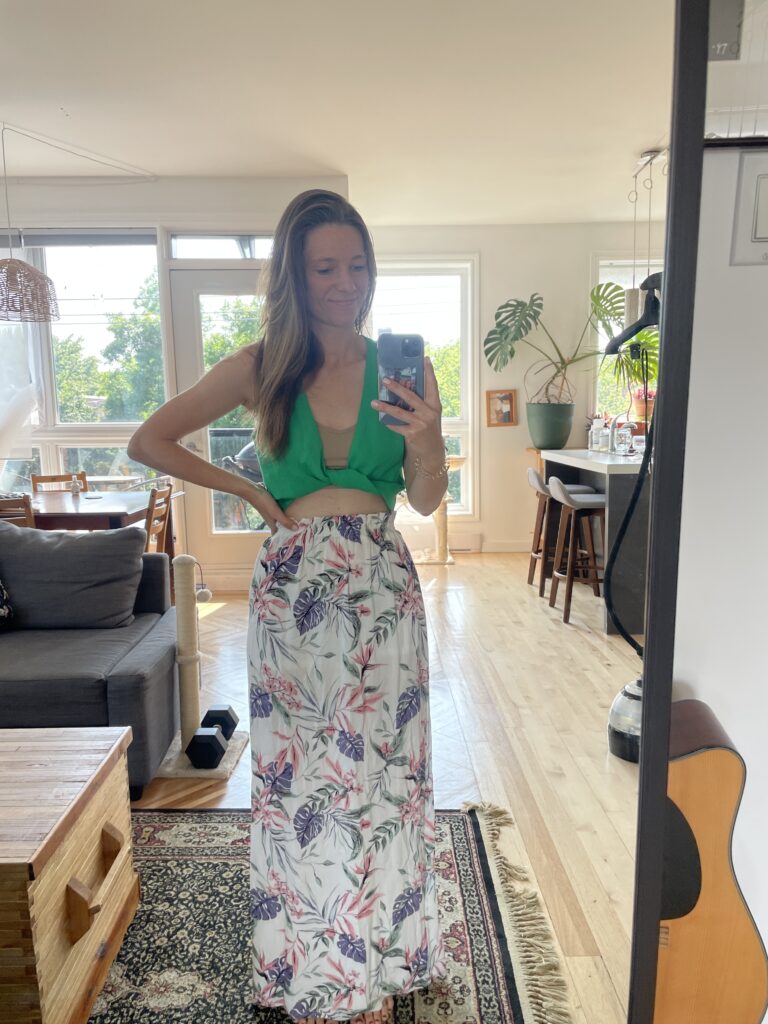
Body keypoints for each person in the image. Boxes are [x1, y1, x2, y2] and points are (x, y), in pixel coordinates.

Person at [128, 189, 448, 1024]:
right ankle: (313, 964)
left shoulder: (402, 368)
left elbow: (424, 499)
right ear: (294, 278)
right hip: (295, 587)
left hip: (381, 582)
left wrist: (428, 439)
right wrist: (247, 492)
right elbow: (149, 439)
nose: (346, 283)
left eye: (358, 265)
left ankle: (382, 959)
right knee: (302, 778)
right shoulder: (259, 366)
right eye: (325, 268)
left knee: (387, 773)